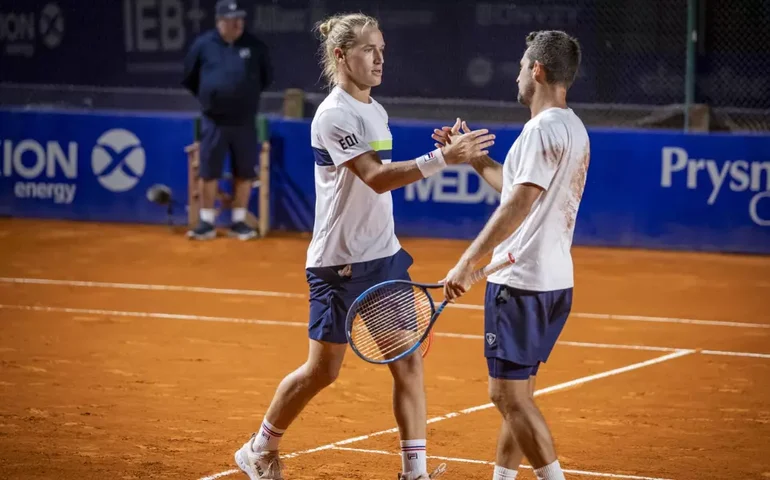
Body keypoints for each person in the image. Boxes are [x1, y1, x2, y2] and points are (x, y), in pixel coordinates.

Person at [231, 12, 495, 480]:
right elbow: (375, 177)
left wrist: (445, 154)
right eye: (368, 50)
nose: (379, 59)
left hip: (383, 257)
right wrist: (443, 157)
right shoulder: (334, 115)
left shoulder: (375, 110)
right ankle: (259, 448)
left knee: (407, 363)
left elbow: (382, 178)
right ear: (340, 55)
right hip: (339, 265)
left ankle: (414, 472)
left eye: (382, 50)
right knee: (322, 372)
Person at [434, 30, 588, 480]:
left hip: (520, 285)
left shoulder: (539, 131)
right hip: (553, 283)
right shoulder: (571, 127)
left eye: (522, 67)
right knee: (519, 395)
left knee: (506, 396)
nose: (517, 75)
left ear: (537, 71)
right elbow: (515, 189)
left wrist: (468, 262)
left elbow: (517, 206)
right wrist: (475, 159)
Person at [181, 0, 273, 240]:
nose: (238, 24)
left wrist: (243, 96)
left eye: (240, 19)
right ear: (220, 22)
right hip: (214, 121)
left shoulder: (255, 46)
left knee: (244, 170)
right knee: (209, 170)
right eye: (232, 20)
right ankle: (207, 222)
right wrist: (210, 97)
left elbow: (266, 77)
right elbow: (189, 77)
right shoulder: (203, 45)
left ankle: (239, 221)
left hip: (244, 121)